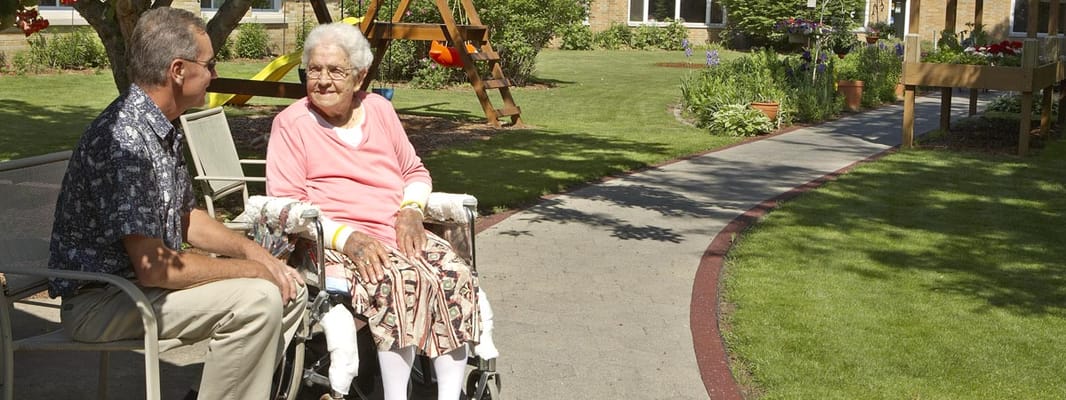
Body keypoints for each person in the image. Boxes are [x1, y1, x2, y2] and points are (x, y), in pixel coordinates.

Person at [47, 7, 307, 400]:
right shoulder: (124, 141)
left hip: (135, 289)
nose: (215, 74)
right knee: (256, 298)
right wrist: (251, 271)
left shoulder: (159, 126)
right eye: (210, 64)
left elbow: (188, 217)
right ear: (179, 70)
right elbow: (154, 267)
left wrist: (256, 254)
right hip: (101, 301)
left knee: (289, 287)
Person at [266, 22, 483, 400]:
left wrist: (411, 212)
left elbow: (414, 170)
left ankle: (449, 395)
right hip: (332, 241)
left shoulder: (379, 109)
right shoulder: (291, 124)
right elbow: (288, 205)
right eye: (314, 69)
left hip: (395, 228)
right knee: (399, 282)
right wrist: (347, 238)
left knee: (455, 274)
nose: (322, 80)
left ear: (360, 75)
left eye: (336, 70)